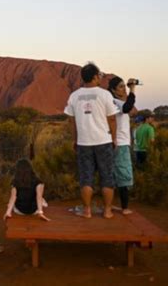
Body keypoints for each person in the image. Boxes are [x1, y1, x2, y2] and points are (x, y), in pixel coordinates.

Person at [64, 63, 118, 219]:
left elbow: (72, 122)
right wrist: (113, 138)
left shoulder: (74, 96)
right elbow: (112, 119)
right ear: (95, 77)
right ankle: (107, 211)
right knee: (107, 176)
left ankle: (87, 210)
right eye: (99, 75)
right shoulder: (105, 95)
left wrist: (75, 140)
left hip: (83, 142)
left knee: (86, 177)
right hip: (103, 141)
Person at [108, 76, 138, 215]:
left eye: (123, 86)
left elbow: (130, 109)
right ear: (113, 90)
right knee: (124, 173)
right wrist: (132, 90)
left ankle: (111, 205)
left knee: (114, 174)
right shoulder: (115, 102)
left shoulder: (115, 102)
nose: (123, 88)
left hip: (118, 143)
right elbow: (127, 108)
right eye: (120, 86)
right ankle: (125, 208)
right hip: (120, 143)